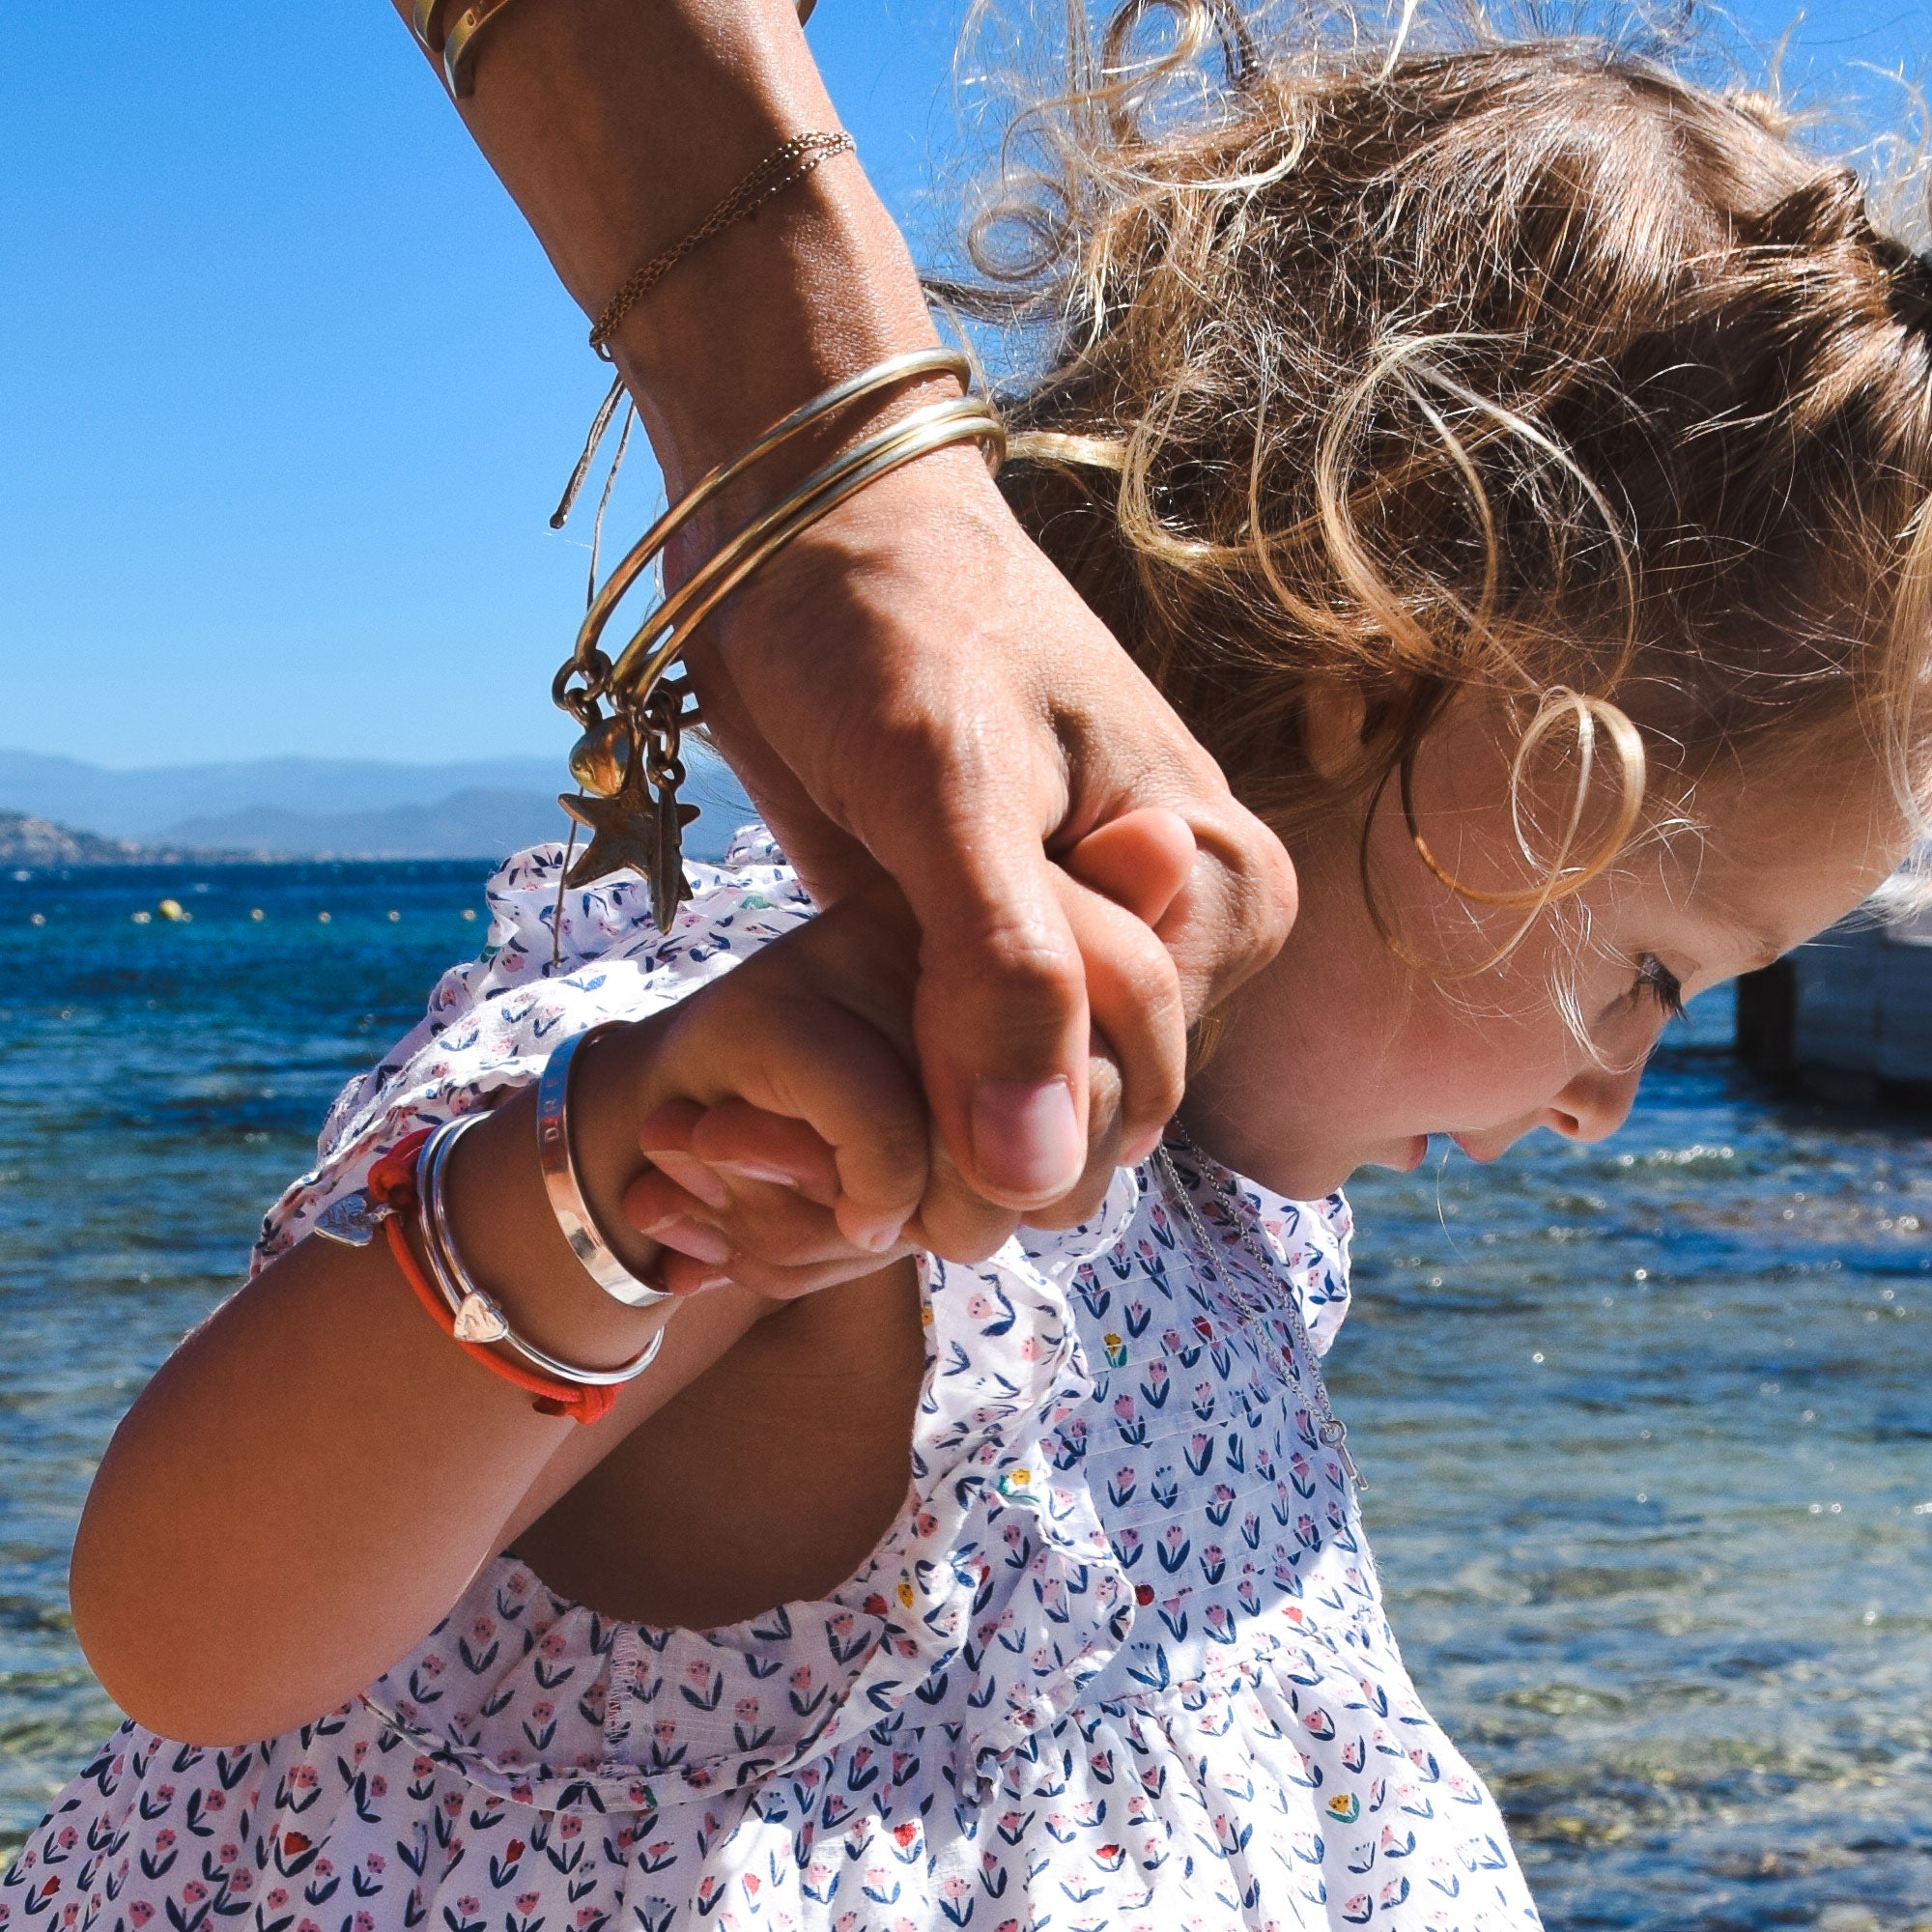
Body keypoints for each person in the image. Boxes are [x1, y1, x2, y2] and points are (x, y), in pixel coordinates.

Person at [10, 11, 1932, 1929]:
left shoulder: (1230, 1211)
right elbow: (195, 1634)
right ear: (1398, 704)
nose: (1610, 1097)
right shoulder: (834, 1064)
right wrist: (611, 1194)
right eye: (1654, 970)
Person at [386, 0, 1300, 1219]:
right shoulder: (779, 1033)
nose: (1601, 1110)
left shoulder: (1280, 1232)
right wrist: (837, 452)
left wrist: (813, 445)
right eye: (1645, 972)